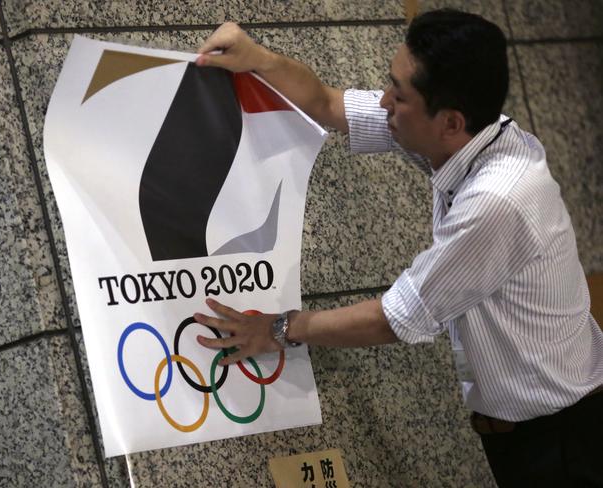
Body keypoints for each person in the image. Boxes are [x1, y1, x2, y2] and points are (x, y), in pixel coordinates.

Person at [192, 9, 603, 487]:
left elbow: (395, 317)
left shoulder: (498, 199)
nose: (384, 100)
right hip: (523, 433)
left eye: (398, 94)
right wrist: (256, 57)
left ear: (450, 121)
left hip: (562, 442)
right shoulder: (478, 135)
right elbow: (326, 103)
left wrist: (280, 328)